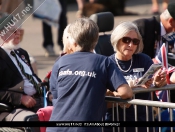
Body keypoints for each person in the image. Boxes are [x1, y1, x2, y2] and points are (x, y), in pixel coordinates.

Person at [46, 17, 133, 132]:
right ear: (96, 40)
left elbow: (57, 96)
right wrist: (109, 94)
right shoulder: (104, 62)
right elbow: (125, 92)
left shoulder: (60, 62)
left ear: (73, 39)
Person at [105, 21, 166, 132]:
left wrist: (158, 83)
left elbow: (155, 83)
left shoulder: (144, 60)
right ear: (117, 39)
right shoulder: (107, 63)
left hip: (143, 124)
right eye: (126, 40)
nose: (130, 45)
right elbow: (103, 96)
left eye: (135, 41)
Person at [0, 15, 44, 121]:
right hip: (13, 107)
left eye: (19, 30)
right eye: (13, 31)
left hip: (39, 99)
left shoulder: (21, 53)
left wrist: (47, 91)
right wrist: (20, 98)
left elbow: (33, 79)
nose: (18, 33)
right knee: (33, 120)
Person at [133, 2, 175, 102]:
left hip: (159, 81)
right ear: (171, 21)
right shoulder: (142, 28)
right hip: (141, 86)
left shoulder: (168, 34)